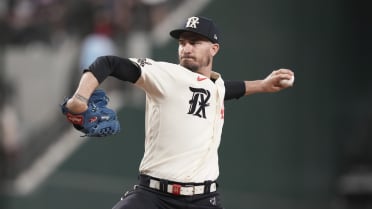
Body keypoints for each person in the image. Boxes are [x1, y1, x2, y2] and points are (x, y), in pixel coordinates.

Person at [64, 16, 294, 209]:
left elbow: (226, 90)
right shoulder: (166, 75)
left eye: (194, 42)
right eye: (183, 43)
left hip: (204, 200)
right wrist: (79, 99)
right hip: (154, 197)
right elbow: (108, 62)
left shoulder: (215, 85)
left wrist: (263, 85)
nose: (186, 48)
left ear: (214, 49)